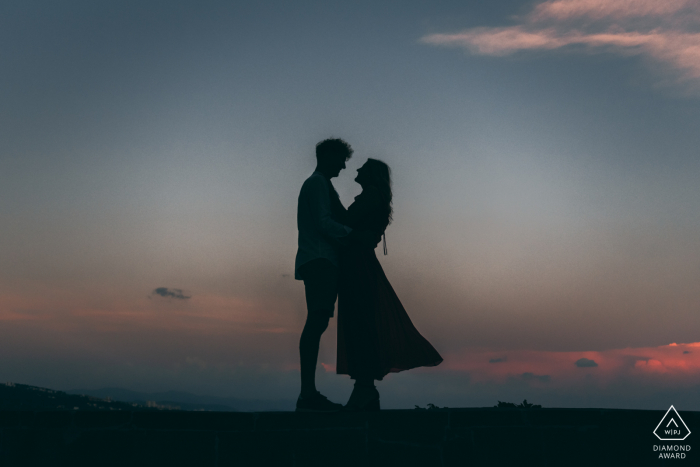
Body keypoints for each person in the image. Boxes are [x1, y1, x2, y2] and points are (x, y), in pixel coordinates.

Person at [335, 158, 443, 411]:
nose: (357, 170)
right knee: (361, 322)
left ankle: (364, 390)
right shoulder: (375, 197)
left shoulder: (372, 196)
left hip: (358, 265)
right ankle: (364, 390)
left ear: (372, 175)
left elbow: (344, 223)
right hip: (359, 263)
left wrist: (328, 199)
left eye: (363, 168)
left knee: (360, 322)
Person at [294, 138, 379, 412]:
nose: (344, 166)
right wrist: (356, 235)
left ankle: (308, 392)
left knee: (318, 322)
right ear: (327, 156)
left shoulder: (321, 184)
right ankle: (307, 393)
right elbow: (323, 223)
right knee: (316, 321)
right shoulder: (318, 183)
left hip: (320, 260)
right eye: (341, 159)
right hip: (320, 259)